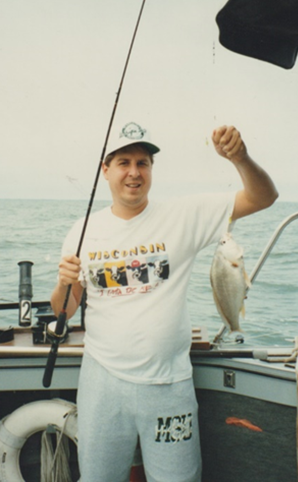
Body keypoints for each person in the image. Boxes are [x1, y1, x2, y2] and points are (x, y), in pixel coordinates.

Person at [51, 121, 278, 482]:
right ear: (105, 170)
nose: (134, 172)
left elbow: (264, 197)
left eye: (143, 163)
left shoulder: (182, 216)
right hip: (102, 383)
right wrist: (64, 283)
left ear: (152, 170)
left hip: (169, 386)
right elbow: (65, 309)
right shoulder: (82, 231)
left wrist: (241, 158)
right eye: (123, 162)